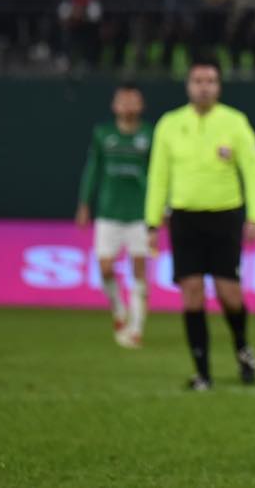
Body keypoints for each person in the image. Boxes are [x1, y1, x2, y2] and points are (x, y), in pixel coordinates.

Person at [145, 58, 255, 391]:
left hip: (225, 215)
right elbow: (158, 176)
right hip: (184, 217)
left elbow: (254, 171)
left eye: (210, 80)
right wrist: (152, 221)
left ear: (219, 85)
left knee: (230, 294)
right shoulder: (169, 124)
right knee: (192, 293)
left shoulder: (234, 122)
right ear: (188, 85)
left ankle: (242, 346)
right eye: (198, 80)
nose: (204, 86)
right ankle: (203, 372)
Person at [75, 83, 153, 347]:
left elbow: (159, 174)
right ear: (115, 105)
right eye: (123, 101)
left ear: (141, 106)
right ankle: (119, 309)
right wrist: (84, 203)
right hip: (109, 212)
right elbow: (93, 168)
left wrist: (161, 208)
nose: (128, 105)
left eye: (134, 100)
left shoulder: (150, 134)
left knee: (139, 269)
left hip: (139, 213)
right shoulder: (103, 133)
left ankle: (136, 328)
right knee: (106, 268)